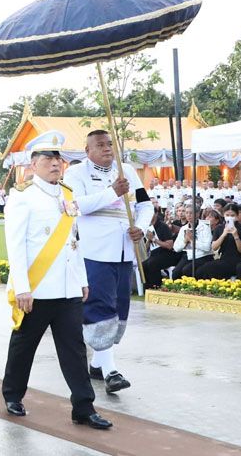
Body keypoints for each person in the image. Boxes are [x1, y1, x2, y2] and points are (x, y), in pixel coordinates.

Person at [1, 132, 111, 429]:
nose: (54, 164)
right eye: (48, 159)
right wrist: (22, 287)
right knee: (25, 345)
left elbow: (74, 241)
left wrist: (82, 279)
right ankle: (12, 394)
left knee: (74, 349)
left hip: (67, 287)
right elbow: (16, 245)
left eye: (57, 160)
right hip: (36, 288)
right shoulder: (22, 196)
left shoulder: (67, 194)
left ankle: (84, 407)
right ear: (33, 164)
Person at [63, 129, 153, 395]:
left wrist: (142, 227)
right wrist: (112, 192)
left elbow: (145, 205)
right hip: (95, 250)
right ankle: (111, 371)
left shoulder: (127, 170)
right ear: (87, 151)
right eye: (99, 145)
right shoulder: (75, 174)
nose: (106, 149)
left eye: (109, 144)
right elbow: (75, 207)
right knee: (100, 309)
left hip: (124, 249)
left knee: (120, 309)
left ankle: (97, 363)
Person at [194, 204, 241, 279]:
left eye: (232, 215)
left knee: (210, 267)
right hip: (223, 258)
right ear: (224, 215)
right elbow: (214, 247)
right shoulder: (219, 228)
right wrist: (224, 234)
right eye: (227, 215)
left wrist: (236, 236)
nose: (229, 217)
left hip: (237, 260)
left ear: (237, 216)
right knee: (200, 271)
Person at [169, 207, 216, 278]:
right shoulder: (183, 228)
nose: (188, 215)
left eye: (191, 213)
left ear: (197, 214)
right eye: (187, 213)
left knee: (187, 270)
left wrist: (192, 241)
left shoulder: (205, 227)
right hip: (189, 256)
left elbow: (207, 248)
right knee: (175, 273)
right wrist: (185, 241)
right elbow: (176, 248)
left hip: (203, 256)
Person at [141, 205, 177, 289]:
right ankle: (147, 288)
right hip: (154, 254)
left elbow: (169, 245)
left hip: (167, 254)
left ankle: (156, 287)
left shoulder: (163, 226)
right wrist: (149, 240)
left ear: (156, 214)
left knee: (152, 263)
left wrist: (154, 239)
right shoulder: (148, 227)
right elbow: (146, 249)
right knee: (143, 265)